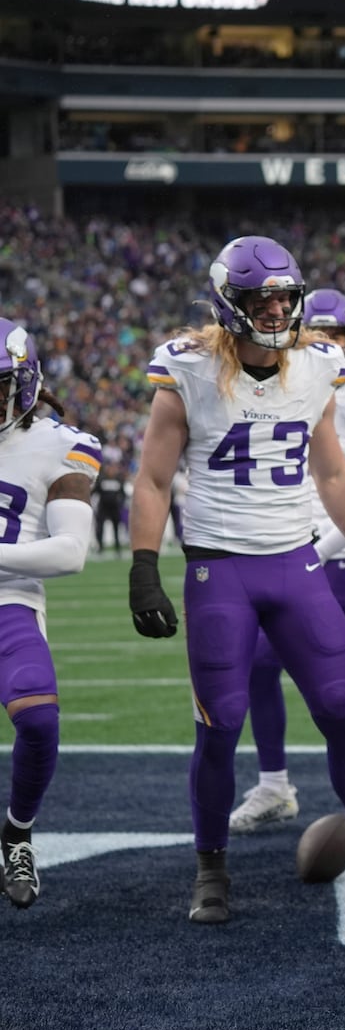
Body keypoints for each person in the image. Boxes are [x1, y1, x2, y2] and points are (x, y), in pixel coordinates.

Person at [129, 236, 345, 923]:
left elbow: (330, 471)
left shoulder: (319, 364)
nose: (273, 310)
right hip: (220, 567)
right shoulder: (191, 368)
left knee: (344, 706)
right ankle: (210, 866)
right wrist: (144, 568)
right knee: (220, 722)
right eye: (259, 298)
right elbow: (152, 478)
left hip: (296, 562)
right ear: (227, 303)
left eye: (283, 297)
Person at [228, 287, 345, 836]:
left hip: (343, 557)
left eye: (338, 337)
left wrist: (321, 546)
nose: (327, 344)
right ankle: (275, 783)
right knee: (260, 666)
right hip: (294, 549)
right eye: (319, 334)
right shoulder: (282, 383)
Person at [0, 324, 97, 908]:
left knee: (38, 721)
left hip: (9, 600)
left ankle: (17, 831)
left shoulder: (58, 443)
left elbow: (71, 551)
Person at [92, 460, 125, 556]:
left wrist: (120, 503)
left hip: (114, 508)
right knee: (100, 528)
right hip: (103, 507)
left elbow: (122, 493)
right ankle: (100, 548)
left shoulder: (119, 479)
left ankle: (118, 548)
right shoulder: (101, 479)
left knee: (116, 528)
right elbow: (95, 492)